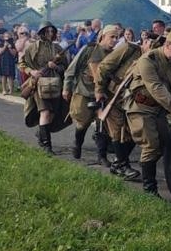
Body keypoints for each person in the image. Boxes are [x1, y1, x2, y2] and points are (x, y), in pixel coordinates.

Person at [125, 29, 171, 195]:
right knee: (151, 145)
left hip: (159, 110)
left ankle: (162, 180)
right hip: (141, 108)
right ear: (167, 45)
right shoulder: (148, 60)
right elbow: (156, 88)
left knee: (165, 143)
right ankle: (150, 190)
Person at [93, 30, 144, 178]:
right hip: (112, 95)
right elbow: (103, 67)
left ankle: (118, 162)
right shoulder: (129, 49)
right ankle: (122, 166)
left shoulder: (153, 58)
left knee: (132, 132)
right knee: (117, 129)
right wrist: (99, 90)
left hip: (131, 99)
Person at [63, 25, 117, 160]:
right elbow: (72, 69)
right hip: (84, 91)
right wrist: (66, 88)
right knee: (83, 123)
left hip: (104, 94)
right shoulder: (89, 49)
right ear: (103, 37)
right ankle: (78, 144)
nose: (115, 40)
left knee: (103, 125)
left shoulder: (115, 54)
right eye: (112, 37)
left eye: (116, 37)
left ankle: (102, 156)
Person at [20, 22, 69, 154]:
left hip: (56, 84)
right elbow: (22, 63)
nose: (50, 34)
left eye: (52, 31)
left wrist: (56, 67)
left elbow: (65, 67)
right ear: (42, 32)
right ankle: (47, 146)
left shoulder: (58, 48)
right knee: (45, 112)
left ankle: (41, 133)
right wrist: (31, 72)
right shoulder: (32, 48)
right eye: (47, 31)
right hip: (39, 84)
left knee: (52, 113)